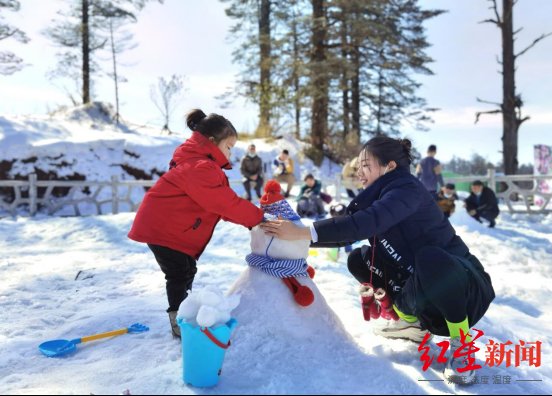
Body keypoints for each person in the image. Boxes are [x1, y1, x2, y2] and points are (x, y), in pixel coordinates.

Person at [260, 136, 495, 385]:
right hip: (421, 289)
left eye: (366, 165)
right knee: (357, 259)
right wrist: (298, 236)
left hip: (465, 288)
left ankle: (462, 344)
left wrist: (303, 233)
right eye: (358, 166)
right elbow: (351, 231)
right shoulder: (378, 196)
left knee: (431, 259)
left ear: (389, 167)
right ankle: (412, 323)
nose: (359, 171)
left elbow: (367, 222)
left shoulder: (407, 190)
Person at [128, 109, 264, 338]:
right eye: (228, 148)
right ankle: (180, 323)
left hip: (169, 229)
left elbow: (221, 205)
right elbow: (224, 203)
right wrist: (258, 218)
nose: (230, 155)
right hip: (163, 229)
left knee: (186, 270)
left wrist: (250, 220)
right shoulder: (200, 167)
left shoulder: (199, 164)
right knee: (179, 274)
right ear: (212, 142)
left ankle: (186, 314)